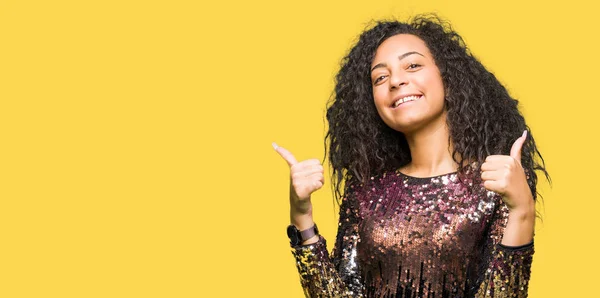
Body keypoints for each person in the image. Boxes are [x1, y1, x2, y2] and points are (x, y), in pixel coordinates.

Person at [274, 14, 549, 298]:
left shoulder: (497, 183)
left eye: (413, 65)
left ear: (447, 75)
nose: (396, 81)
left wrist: (522, 211)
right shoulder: (366, 190)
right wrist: (301, 215)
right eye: (380, 77)